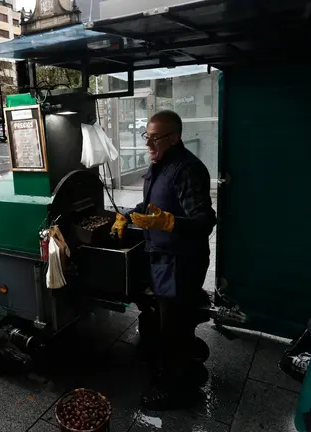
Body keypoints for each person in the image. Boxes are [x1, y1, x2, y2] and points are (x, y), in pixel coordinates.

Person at [111, 110, 217, 411]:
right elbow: (151, 205)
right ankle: (176, 366)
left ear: (174, 138)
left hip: (182, 262)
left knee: (174, 327)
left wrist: (170, 223)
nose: (148, 144)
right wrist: (128, 215)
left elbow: (204, 221)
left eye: (154, 138)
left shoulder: (187, 170)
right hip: (161, 258)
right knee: (166, 319)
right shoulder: (159, 165)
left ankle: (174, 389)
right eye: (147, 137)